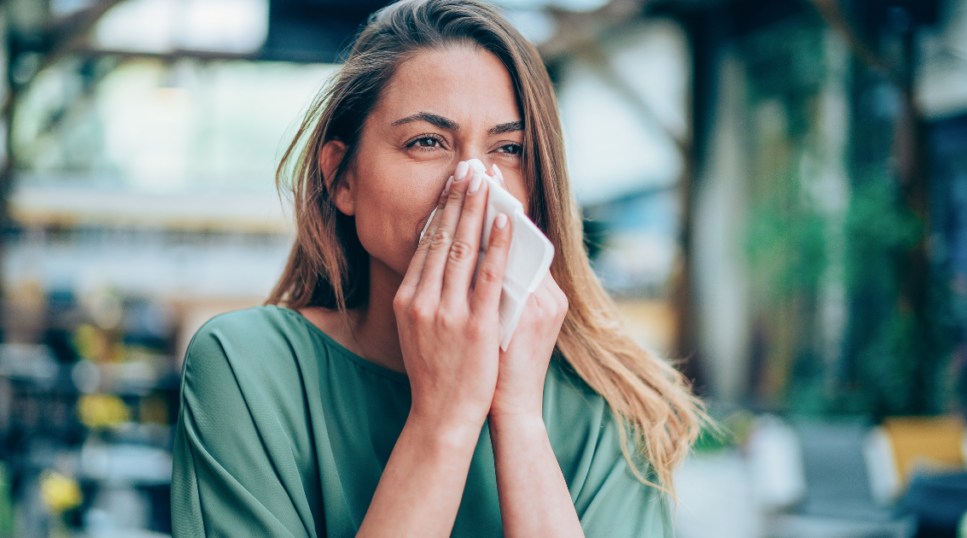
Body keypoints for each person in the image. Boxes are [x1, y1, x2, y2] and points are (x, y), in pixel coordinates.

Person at [170, 0, 704, 535]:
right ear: (342, 178)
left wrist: (518, 417)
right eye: (426, 141)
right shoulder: (245, 368)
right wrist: (441, 419)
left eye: (509, 148)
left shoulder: (609, 405)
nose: (474, 184)